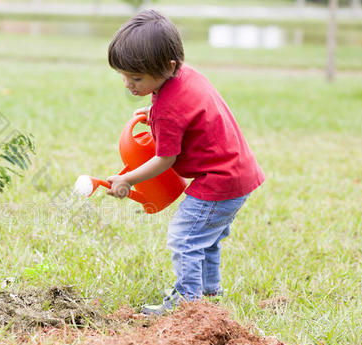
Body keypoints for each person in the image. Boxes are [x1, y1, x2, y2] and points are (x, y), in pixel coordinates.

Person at [105, 10, 265, 315]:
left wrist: (127, 179)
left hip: (219, 179)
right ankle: (209, 291)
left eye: (136, 77)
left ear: (168, 66)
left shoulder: (167, 107)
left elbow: (165, 159)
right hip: (238, 171)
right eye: (123, 75)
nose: (127, 83)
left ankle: (188, 305)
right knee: (207, 235)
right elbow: (187, 115)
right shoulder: (186, 76)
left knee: (185, 237)